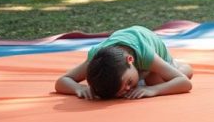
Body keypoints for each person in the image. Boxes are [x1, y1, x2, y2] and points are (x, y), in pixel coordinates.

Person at [55, 25, 194, 100]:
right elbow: (62, 81)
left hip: (149, 46)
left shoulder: (146, 54)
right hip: (128, 59)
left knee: (155, 80)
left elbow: (184, 83)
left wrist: (153, 90)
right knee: (112, 85)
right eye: (120, 92)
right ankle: (137, 78)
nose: (127, 90)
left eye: (128, 83)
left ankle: (177, 64)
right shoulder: (96, 60)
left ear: (130, 60)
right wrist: (79, 88)